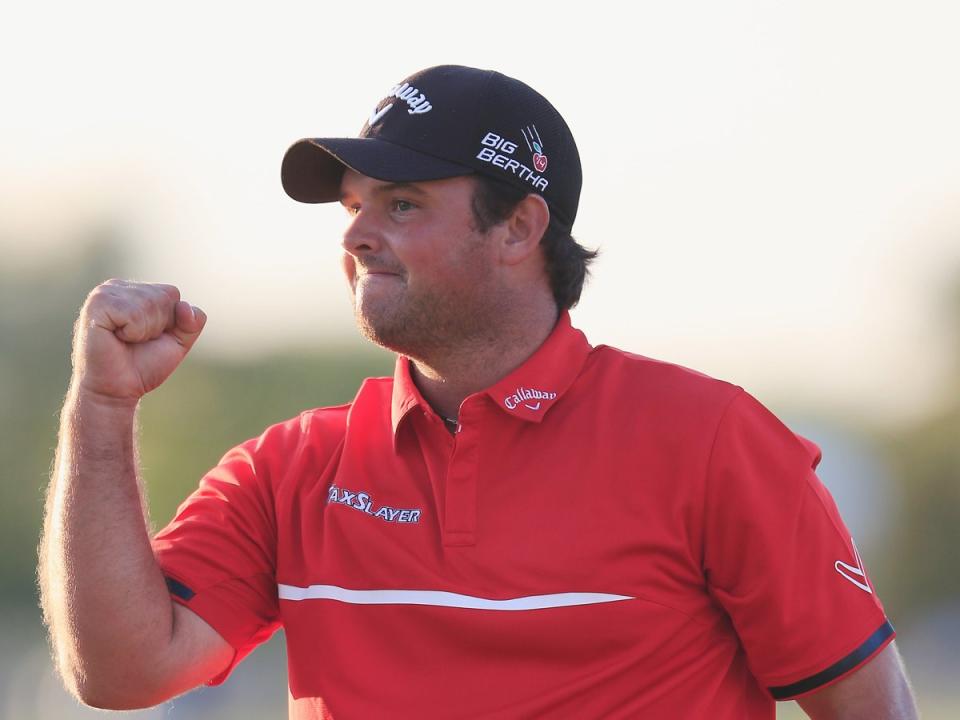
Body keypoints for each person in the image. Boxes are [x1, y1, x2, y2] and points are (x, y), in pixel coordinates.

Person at [39, 65, 919, 719]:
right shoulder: (290, 468)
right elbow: (121, 674)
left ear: (519, 227)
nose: (358, 235)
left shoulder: (711, 438)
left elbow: (871, 708)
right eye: (351, 206)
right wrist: (103, 412)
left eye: (402, 204)